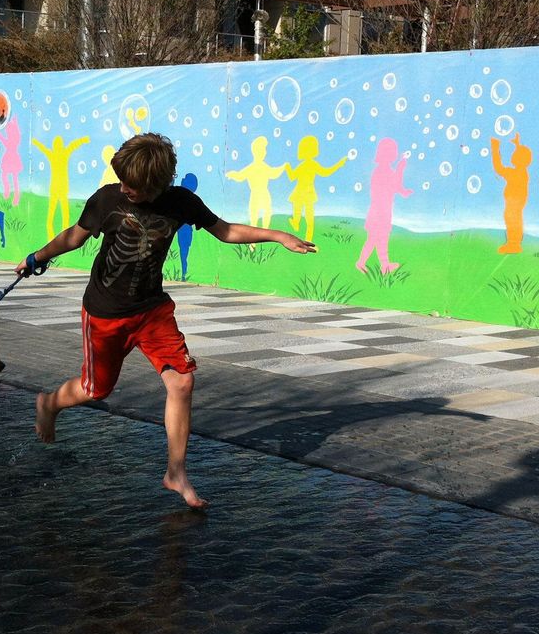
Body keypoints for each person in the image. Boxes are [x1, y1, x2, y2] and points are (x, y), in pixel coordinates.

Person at [16, 133, 316, 509]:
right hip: (105, 313)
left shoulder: (181, 203)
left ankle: (176, 472)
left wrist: (277, 236)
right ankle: (49, 403)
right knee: (96, 390)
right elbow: (73, 238)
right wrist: (36, 258)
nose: (125, 188)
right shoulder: (108, 199)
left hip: (152, 311)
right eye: (122, 180)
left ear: (159, 184)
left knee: (182, 381)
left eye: (135, 186)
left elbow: (225, 231)